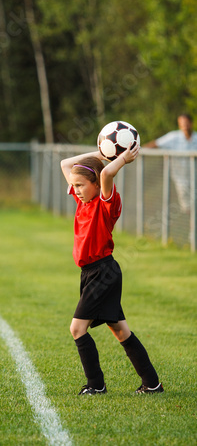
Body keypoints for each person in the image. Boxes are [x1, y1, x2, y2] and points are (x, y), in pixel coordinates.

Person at [60, 143, 164, 395]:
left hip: (102, 272)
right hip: (91, 274)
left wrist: (121, 159)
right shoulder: (82, 200)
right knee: (120, 330)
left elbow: (106, 174)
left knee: (77, 328)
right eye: (74, 186)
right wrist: (100, 154)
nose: (76, 190)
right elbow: (65, 165)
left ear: (95, 184)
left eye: (81, 185)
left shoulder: (105, 204)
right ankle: (152, 384)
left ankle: (96, 385)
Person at [144, 114, 197, 212]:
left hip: (195, 178)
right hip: (180, 179)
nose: (184, 125)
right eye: (181, 123)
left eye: (186, 123)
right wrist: (137, 152)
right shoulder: (173, 137)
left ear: (191, 123)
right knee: (187, 206)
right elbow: (156, 144)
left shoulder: (196, 138)